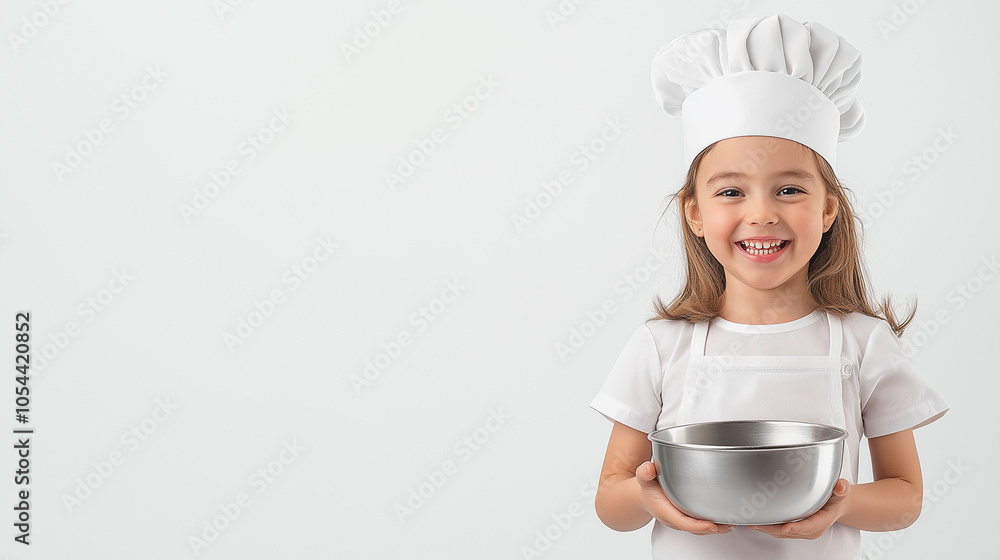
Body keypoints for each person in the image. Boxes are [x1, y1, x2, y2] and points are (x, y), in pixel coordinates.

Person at [590, 14, 949, 559]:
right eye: (731, 192)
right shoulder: (662, 344)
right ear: (694, 213)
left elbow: (906, 497)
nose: (761, 215)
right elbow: (610, 502)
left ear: (828, 209)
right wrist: (648, 496)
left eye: (788, 189)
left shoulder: (862, 342)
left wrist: (842, 505)